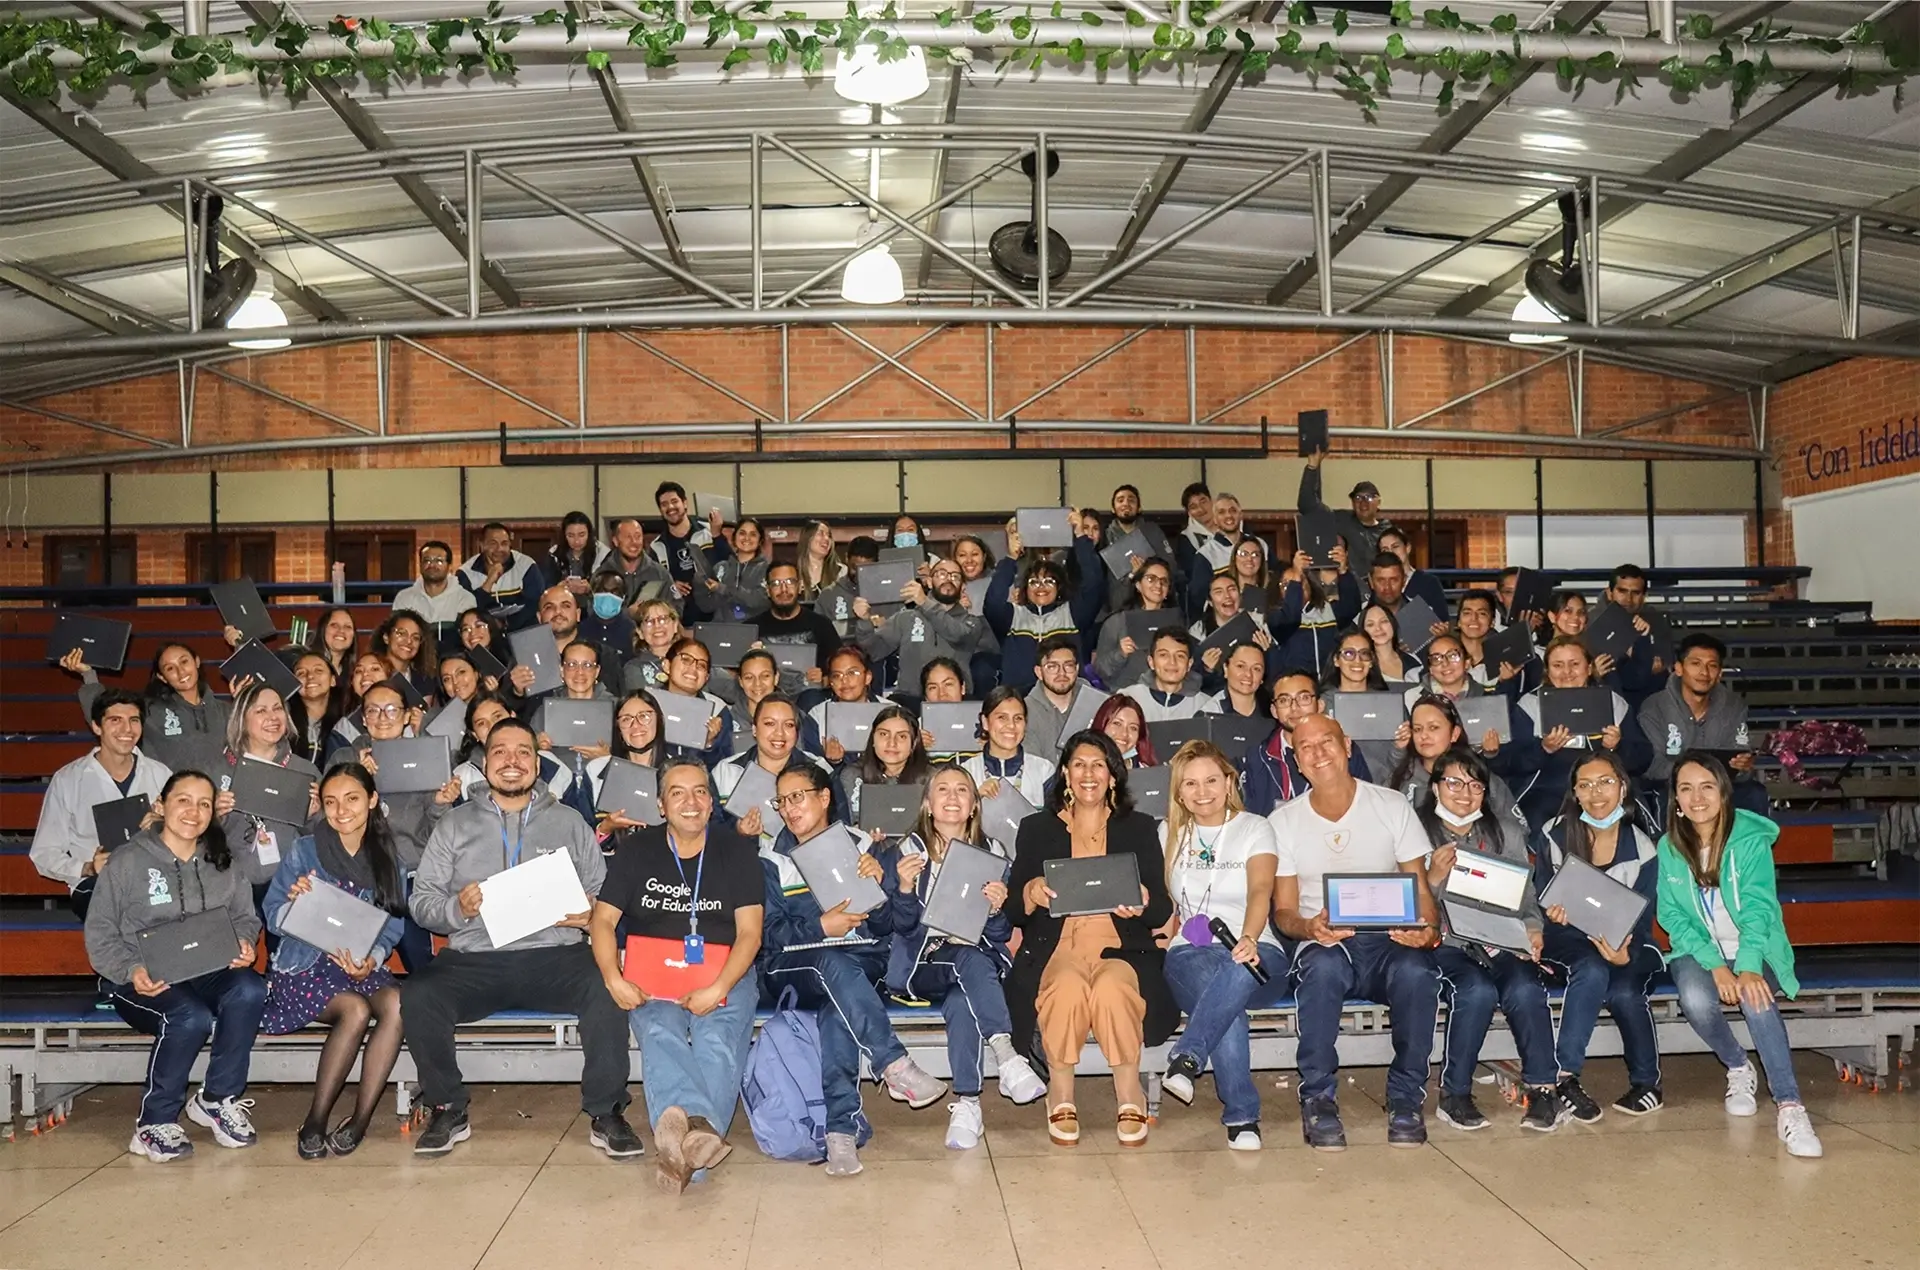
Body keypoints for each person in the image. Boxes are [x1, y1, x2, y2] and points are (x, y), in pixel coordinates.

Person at [402, 718, 642, 1158]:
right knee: (419, 994)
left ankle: (606, 1111)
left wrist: (589, 917)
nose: (511, 762)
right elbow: (421, 903)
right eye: (500, 752)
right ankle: (447, 1106)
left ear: (537, 762)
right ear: (485, 760)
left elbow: (606, 900)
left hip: (555, 954)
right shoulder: (454, 825)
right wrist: (458, 908)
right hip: (475, 958)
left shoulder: (570, 822)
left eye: (523, 752)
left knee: (605, 986)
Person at [758, 762, 948, 1178]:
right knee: (832, 964)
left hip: (858, 963)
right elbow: (769, 934)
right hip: (792, 966)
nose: (789, 808)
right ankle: (894, 1064)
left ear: (824, 797)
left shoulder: (865, 844)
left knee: (837, 1004)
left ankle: (840, 1134)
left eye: (798, 797)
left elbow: (886, 927)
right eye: (782, 801)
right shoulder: (770, 855)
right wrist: (820, 926)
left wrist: (881, 883)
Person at [591, 758, 764, 1192]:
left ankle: (682, 1146)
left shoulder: (737, 851)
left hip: (726, 971)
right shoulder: (637, 851)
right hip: (653, 977)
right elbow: (602, 922)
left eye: (700, 792)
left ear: (712, 801)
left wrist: (719, 987)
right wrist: (615, 978)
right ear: (661, 805)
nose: (691, 802)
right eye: (677, 793)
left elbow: (750, 934)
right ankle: (697, 1137)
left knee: (716, 1039)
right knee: (661, 1033)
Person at [1269, 714, 1440, 1150]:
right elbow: (1284, 912)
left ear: (1347, 745)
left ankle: (1405, 1099)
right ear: (1297, 760)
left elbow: (1420, 888)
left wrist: (1429, 931)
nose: (1318, 753)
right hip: (1325, 942)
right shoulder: (1283, 820)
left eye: (1326, 742)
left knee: (1418, 974)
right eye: (1305, 747)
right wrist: (1309, 926)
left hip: (1388, 940)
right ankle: (1319, 1099)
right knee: (1322, 970)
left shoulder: (1390, 805)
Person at [84, 769, 268, 1162]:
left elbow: (246, 918)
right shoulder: (128, 862)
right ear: (161, 805)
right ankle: (153, 1122)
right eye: (183, 800)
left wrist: (245, 943)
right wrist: (131, 969)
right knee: (189, 1016)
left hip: (206, 969)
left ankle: (217, 1100)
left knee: (251, 988)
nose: (194, 811)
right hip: (141, 978)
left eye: (204, 804)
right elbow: (100, 933)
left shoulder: (223, 861)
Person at [1007, 730, 1175, 1148]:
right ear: (1065, 773)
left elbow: (1161, 910)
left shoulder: (1139, 828)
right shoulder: (1036, 828)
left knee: (1112, 987)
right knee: (1065, 987)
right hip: (1056, 947)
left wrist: (1144, 900)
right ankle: (1060, 1094)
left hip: (1121, 947)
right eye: (1079, 764)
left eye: (1098, 765)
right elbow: (1013, 907)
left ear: (1113, 776)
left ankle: (1128, 1092)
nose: (1088, 773)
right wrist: (1030, 892)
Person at [1655, 752, 1822, 1159]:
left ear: (1724, 794)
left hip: (1755, 945)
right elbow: (1671, 914)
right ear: (1675, 798)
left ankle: (1790, 1106)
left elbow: (1760, 908)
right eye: (1686, 788)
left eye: (1707, 786)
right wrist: (1714, 964)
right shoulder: (1670, 845)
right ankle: (1737, 1065)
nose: (1697, 798)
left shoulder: (1748, 840)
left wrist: (1747, 967)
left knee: (1756, 997)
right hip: (1699, 951)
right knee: (1695, 998)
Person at [878, 767, 1048, 1148]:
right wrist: (905, 889)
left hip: (975, 971)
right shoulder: (905, 852)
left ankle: (968, 1102)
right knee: (967, 960)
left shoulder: (993, 853)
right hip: (922, 964)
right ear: (928, 803)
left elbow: (1002, 934)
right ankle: (1008, 1057)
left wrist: (994, 910)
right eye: (943, 790)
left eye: (962, 791)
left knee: (962, 1001)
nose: (952, 798)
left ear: (974, 806)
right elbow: (898, 927)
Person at [261, 763, 408, 1158]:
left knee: (396, 1004)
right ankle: (316, 1119)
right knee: (356, 1011)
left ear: (372, 800)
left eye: (352, 799)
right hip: (307, 963)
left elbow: (393, 925)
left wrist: (372, 958)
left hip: (358, 964)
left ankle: (360, 1118)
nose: (341, 810)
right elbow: (271, 914)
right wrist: (293, 902)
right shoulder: (305, 850)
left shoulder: (389, 857)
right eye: (331, 802)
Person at [1420, 748, 1565, 1133]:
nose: (1464, 793)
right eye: (1453, 782)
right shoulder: (1415, 831)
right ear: (1435, 788)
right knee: (1476, 990)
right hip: (1445, 943)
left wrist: (1533, 928)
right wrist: (1432, 878)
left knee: (1525, 986)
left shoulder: (1506, 832)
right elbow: (1407, 907)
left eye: (1475, 785)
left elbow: (1527, 900)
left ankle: (1543, 1088)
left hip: (1500, 938)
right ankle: (1455, 1094)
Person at [1157, 741, 1288, 1150]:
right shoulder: (1168, 833)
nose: (1202, 791)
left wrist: (1249, 938)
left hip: (1257, 951)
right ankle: (1241, 1118)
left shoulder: (1255, 827)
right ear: (1179, 793)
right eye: (1190, 784)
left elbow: (1261, 890)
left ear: (1229, 781)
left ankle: (1188, 1057)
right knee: (1224, 1002)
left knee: (1232, 972)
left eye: (1212, 779)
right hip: (1189, 953)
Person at [1536, 751, 1665, 1121]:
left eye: (1605, 782)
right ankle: (1565, 1076)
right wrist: (1552, 913)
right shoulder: (1555, 833)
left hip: (1624, 941)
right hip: (1567, 939)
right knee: (1591, 969)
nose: (1596, 793)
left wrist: (1624, 956)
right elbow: (1542, 893)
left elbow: (1642, 922)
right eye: (1585, 785)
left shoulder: (1642, 848)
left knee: (1625, 990)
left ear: (1623, 787)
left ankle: (1647, 1084)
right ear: (1574, 793)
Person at [31, 688, 173, 916]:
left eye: (134, 720)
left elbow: (190, 837)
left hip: (155, 878)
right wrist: (87, 867)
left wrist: (166, 826)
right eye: (116, 720)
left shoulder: (161, 774)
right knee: (116, 899)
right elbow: (44, 852)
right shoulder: (69, 779)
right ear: (96, 726)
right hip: (96, 885)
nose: (127, 729)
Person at [349, 681, 460, 969]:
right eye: (373, 710)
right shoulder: (346, 760)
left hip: (412, 871)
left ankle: (424, 977)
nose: (382, 718)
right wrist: (358, 779)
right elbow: (337, 822)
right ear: (363, 718)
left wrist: (439, 802)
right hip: (362, 870)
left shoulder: (425, 759)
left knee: (406, 901)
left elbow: (435, 835)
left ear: (406, 715)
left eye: (391, 710)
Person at [1517, 636, 1651, 829]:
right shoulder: (1529, 705)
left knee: (1632, 821)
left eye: (1574, 664)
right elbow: (1509, 762)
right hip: (1547, 792)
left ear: (1589, 668)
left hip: (1605, 790)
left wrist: (1617, 748)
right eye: (1558, 665)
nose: (1567, 672)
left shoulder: (1612, 703)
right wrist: (1543, 749)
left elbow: (1644, 758)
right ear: (1547, 671)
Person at [217, 682, 321, 910]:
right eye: (261, 710)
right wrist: (214, 819)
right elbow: (198, 840)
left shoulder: (306, 771)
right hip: (232, 883)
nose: (273, 717)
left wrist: (312, 816)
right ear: (242, 719)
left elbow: (324, 838)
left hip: (290, 881)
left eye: (278, 708)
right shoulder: (216, 770)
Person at [1638, 633, 1764, 816]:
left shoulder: (1734, 706)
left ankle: (1748, 845)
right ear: (1679, 669)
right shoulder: (1654, 707)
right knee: (1665, 797)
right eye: (1695, 664)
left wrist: (1742, 766)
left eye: (1712, 666)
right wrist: (1695, 776)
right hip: (1672, 785)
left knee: (1754, 794)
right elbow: (1653, 766)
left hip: (1718, 785)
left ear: (1720, 674)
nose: (1704, 673)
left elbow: (1738, 763)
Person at [68, 641, 231, 778]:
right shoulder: (152, 710)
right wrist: (88, 674)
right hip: (173, 805)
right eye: (170, 668)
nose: (181, 672)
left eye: (184, 661)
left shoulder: (226, 711)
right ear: (162, 677)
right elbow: (106, 715)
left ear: (196, 661)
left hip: (224, 805)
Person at [984, 520, 1105, 692]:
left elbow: (1094, 584)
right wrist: (1011, 558)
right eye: (1034, 582)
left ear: (1060, 587)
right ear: (1025, 588)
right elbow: (993, 602)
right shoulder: (1014, 616)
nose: (1041, 587)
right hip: (1020, 699)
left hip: (1066, 695)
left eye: (1049, 581)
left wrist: (1079, 536)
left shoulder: (1072, 613)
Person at [1386, 694, 1526, 835]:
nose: (1424, 735)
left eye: (1433, 728)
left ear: (1454, 733)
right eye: (1417, 729)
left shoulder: (1480, 779)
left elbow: (1519, 832)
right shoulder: (1399, 780)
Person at [854, 556, 989, 696]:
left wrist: (925, 603)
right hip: (910, 699)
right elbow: (875, 651)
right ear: (929, 582)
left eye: (955, 576)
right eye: (941, 574)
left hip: (954, 700)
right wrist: (864, 621)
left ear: (963, 586)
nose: (948, 579)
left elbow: (957, 635)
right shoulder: (906, 617)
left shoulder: (971, 622)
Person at [1241, 672, 1371, 816]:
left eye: (1304, 698)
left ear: (1320, 705)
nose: (1294, 707)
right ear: (1274, 711)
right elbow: (1250, 815)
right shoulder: (1258, 756)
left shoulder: (1341, 749)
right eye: (1284, 700)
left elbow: (1365, 802)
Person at [962, 685, 1058, 842]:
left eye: (1018, 718)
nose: (1011, 726)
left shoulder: (1044, 770)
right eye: (1002, 718)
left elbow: (1054, 827)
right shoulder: (966, 772)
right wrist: (975, 799)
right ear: (985, 722)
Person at [1266, 546, 1361, 677]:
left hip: (1329, 686)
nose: (1298, 584)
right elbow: (1291, 618)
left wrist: (1343, 570)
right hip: (1297, 689)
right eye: (1286, 584)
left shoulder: (1326, 609)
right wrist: (1296, 578)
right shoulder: (1276, 616)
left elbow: (1351, 607)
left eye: (1301, 579)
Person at [1299, 449, 1394, 576]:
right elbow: (1307, 505)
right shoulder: (1341, 520)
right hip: (1349, 587)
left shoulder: (1388, 531)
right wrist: (1312, 466)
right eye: (1358, 498)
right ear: (1352, 502)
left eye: (1369, 497)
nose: (1363, 502)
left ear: (1379, 502)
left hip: (1380, 589)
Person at [1093, 556, 1178, 694]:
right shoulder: (1118, 621)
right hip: (1127, 696)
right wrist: (1120, 653)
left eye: (1164, 581)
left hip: (1166, 696)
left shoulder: (1176, 622)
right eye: (1151, 579)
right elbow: (1101, 670)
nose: (1158, 585)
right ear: (1138, 585)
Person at [755, 561, 841, 695]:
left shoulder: (821, 625)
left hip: (809, 695)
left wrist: (823, 680)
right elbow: (737, 675)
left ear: (800, 586)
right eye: (776, 583)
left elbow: (841, 669)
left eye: (790, 582)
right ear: (768, 590)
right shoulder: (752, 627)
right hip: (765, 696)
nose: (784, 589)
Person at [1594, 564, 1674, 707]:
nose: (1628, 599)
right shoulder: (1592, 620)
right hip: (1605, 693)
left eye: (1635, 593)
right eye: (1622, 591)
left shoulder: (1656, 620)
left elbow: (1662, 663)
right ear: (1609, 592)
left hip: (1647, 696)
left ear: (1644, 596)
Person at [588, 689, 668, 830]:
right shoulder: (596, 771)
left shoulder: (680, 770)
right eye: (626, 719)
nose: (635, 725)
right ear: (618, 728)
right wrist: (605, 828)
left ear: (659, 719)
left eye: (644, 717)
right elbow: (580, 831)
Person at [839, 705, 931, 823]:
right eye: (883, 734)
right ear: (872, 739)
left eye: (902, 736)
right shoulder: (852, 775)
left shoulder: (932, 778)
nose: (892, 743)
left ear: (913, 744)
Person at [1025, 633, 1106, 763]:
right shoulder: (1025, 712)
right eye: (1052, 667)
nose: (1061, 673)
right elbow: (1034, 768)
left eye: (1068, 665)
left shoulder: (1096, 703)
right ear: (1039, 672)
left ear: (1077, 669)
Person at [1101, 483, 1178, 612]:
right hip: (1119, 608)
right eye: (1120, 500)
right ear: (1113, 508)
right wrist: (1132, 574)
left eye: (1131, 500)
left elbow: (1171, 566)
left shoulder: (1152, 531)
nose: (1126, 504)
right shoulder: (1104, 537)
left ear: (1139, 508)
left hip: (1156, 605)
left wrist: (1146, 569)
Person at [457, 522, 546, 631]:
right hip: (485, 633)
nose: (499, 549)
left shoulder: (526, 565)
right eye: (493, 543)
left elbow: (536, 603)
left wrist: (506, 623)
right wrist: (489, 582)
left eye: (504, 543)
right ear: (482, 545)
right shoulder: (466, 572)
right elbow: (468, 611)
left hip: (523, 631)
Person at [537, 584, 622, 697]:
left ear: (578, 614)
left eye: (566, 606)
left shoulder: (605, 656)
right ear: (539, 617)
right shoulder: (526, 656)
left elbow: (618, 706)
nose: (558, 612)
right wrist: (516, 692)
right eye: (549, 607)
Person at [649, 482, 718, 620]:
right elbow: (654, 586)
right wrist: (671, 586)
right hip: (677, 620)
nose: (670, 507)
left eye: (674, 501)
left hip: (714, 618)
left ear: (685, 503)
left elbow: (726, 567)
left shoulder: (710, 532)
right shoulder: (656, 546)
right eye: (664, 504)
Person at [1120, 629, 1219, 723]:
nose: (1172, 662)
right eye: (1163, 655)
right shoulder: (1127, 699)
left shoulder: (1206, 706)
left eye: (1180, 656)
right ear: (1151, 662)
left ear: (1189, 664)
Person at [392, 540, 475, 645]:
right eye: (427, 560)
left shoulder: (465, 598)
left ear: (450, 566)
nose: (432, 565)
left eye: (439, 561)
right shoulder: (404, 597)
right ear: (420, 565)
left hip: (453, 657)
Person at [705, 515, 771, 623]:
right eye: (742, 533)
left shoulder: (767, 570)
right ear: (734, 538)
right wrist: (699, 583)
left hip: (755, 630)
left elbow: (759, 601)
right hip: (720, 630)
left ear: (760, 541)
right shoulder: (720, 567)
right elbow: (706, 606)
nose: (746, 538)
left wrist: (725, 590)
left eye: (753, 534)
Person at [1375, 527, 1448, 621]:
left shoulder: (1429, 582)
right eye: (1385, 550)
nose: (1391, 553)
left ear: (1408, 548)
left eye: (1395, 547)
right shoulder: (1377, 584)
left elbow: (1443, 620)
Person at [371, 611, 439, 709]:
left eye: (415, 638)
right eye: (401, 633)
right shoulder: (370, 672)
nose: (408, 641)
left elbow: (425, 718)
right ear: (386, 637)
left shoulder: (425, 680)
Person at [1173, 480, 1233, 585]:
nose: (1200, 509)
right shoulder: (1186, 539)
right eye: (1193, 507)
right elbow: (1194, 575)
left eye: (1203, 501)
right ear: (1189, 513)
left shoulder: (1232, 525)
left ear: (1212, 501)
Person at [622, 597, 684, 694]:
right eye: (649, 621)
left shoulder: (689, 661)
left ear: (675, 625)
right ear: (640, 632)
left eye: (663, 619)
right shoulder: (633, 668)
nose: (657, 625)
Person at [288, 652, 340, 763]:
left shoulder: (343, 726)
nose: (310, 676)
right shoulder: (283, 721)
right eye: (301, 673)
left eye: (318, 671)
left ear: (333, 680)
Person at [545, 510, 613, 597]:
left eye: (581, 535)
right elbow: (546, 586)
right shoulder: (554, 554)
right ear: (564, 536)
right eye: (570, 535)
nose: (577, 541)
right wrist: (559, 587)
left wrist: (591, 587)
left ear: (589, 534)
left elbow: (610, 588)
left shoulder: (603, 554)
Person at [579, 570, 639, 655]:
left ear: (624, 597)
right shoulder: (580, 630)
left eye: (615, 592)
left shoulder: (634, 632)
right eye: (602, 591)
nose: (608, 596)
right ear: (592, 594)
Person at [1360, 600, 1420, 683]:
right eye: (1370, 625)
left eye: (1384, 621)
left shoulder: (1413, 659)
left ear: (1393, 624)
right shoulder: (1361, 665)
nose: (1378, 628)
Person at [1093, 693, 1157, 769]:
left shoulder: (1148, 774)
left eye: (1133, 728)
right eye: (1117, 723)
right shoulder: (1082, 770)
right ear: (1102, 724)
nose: (1124, 734)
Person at [1215, 641, 1270, 720]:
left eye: (1256, 669)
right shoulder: (1210, 714)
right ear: (1226, 669)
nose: (1248, 674)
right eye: (1240, 666)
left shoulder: (1273, 712)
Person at [795, 518, 845, 602]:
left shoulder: (841, 571)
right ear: (808, 538)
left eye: (829, 535)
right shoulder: (793, 572)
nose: (826, 539)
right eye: (821, 534)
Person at [309, 606, 361, 677]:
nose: (341, 630)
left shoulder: (353, 674)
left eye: (347, 627)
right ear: (323, 629)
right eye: (334, 625)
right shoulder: (306, 665)